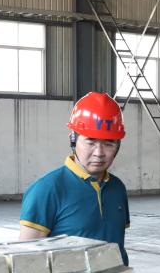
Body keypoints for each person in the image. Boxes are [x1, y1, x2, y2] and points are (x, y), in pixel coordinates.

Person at [19, 92, 130, 263]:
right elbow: (25, 261)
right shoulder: (46, 190)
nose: (99, 153)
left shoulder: (117, 188)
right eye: (90, 142)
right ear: (73, 139)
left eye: (109, 143)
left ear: (118, 146)